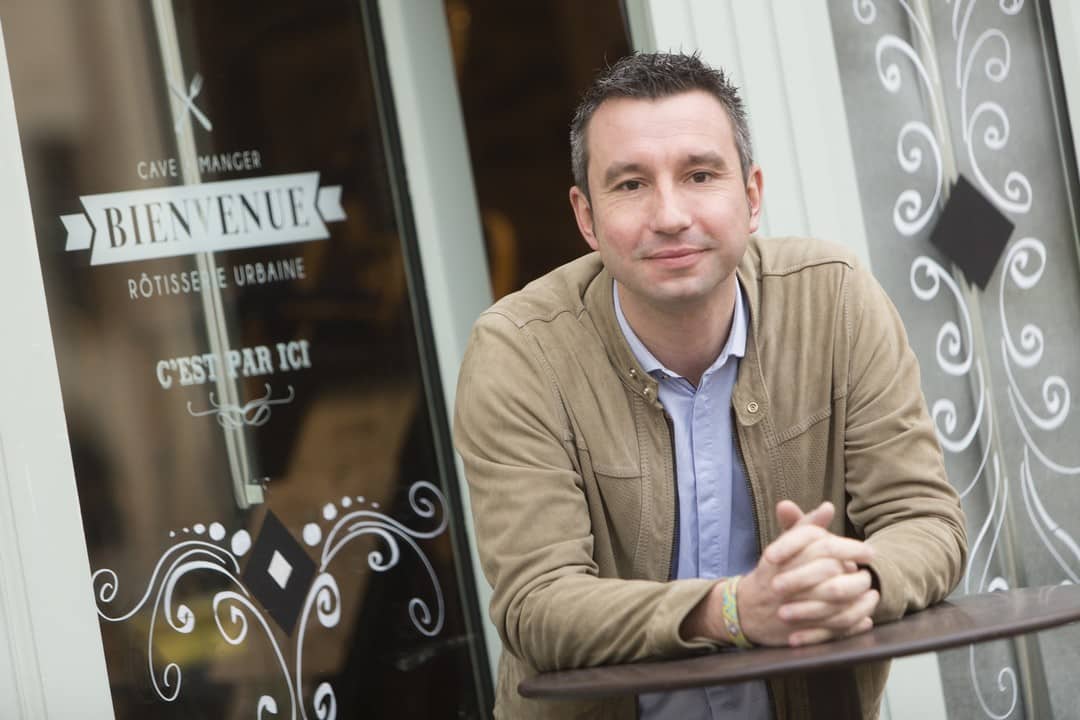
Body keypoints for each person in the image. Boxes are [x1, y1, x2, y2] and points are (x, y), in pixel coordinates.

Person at [453, 52, 967, 719]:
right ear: (586, 217)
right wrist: (730, 610)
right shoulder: (519, 352)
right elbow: (538, 606)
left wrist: (849, 579)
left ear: (751, 195)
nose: (669, 214)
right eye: (631, 185)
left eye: (699, 174)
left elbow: (925, 522)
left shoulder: (834, 300)